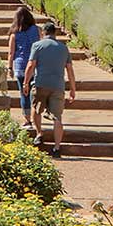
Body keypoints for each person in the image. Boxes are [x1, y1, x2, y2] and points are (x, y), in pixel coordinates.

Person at [23, 19, 77, 156]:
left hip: (41, 83)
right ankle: (57, 148)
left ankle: (39, 133)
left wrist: (25, 82)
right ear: (55, 33)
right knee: (57, 117)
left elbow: (31, 65)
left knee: (36, 109)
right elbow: (70, 70)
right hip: (58, 86)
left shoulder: (37, 46)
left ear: (43, 32)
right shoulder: (63, 48)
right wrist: (72, 89)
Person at [6, 6, 40, 119]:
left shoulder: (14, 34)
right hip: (35, 65)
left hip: (20, 66)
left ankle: (27, 119)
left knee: (23, 93)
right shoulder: (36, 30)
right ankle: (36, 115)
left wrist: (10, 67)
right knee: (34, 92)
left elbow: (11, 53)